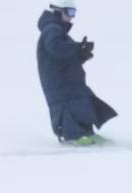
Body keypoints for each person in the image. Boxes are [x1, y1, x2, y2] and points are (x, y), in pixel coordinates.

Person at [36, 1, 117, 145]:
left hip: (68, 80)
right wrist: (76, 47)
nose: (72, 17)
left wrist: (81, 53)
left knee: (82, 102)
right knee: (67, 106)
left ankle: (88, 133)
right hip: (59, 82)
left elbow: (65, 57)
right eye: (70, 12)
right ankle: (74, 136)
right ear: (58, 11)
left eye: (74, 13)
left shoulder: (59, 31)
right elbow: (55, 48)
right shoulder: (51, 29)